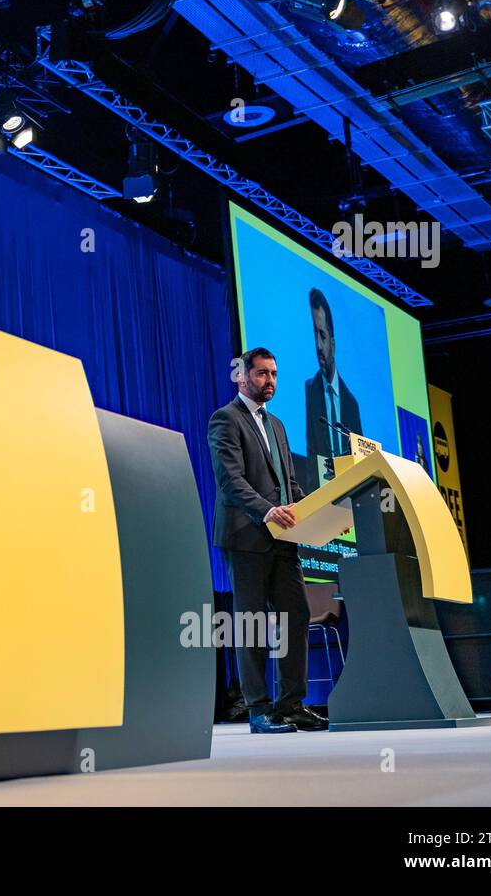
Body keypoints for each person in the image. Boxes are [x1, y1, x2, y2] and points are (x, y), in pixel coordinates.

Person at [207, 347, 328, 734]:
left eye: (274, 373)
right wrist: (267, 510)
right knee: (253, 623)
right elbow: (231, 480)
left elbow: (290, 485)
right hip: (246, 537)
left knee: (297, 615)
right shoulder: (225, 420)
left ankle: (291, 705)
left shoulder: (277, 425)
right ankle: (259, 710)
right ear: (242, 377)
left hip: (283, 539)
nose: (269, 380)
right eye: (261, 373)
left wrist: (318, 516)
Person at [304, 288, 362, 489]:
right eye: (314, 334)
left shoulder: (351, 403)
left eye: (323, 335)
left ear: (333, 344)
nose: (318, 345)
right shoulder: (309, 391)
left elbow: (362, 461)